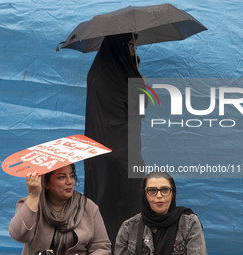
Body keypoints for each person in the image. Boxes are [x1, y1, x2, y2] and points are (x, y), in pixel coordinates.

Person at [84, 33, 145, 247]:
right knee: (130, 212)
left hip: (98, 157)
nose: (132, 49)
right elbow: (141, 110)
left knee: (102, 210)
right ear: (119, 46)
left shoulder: (95, 73)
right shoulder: (126, 77)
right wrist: (137, 77)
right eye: (130, 44)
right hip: (124, 157)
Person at [8, 164, 111, 255]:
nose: (69, 182)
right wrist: (33, 197)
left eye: (72, 176)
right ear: (46, 183)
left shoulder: (88, 207)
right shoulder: (32, 204)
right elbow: (19, 235)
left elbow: (101, 246)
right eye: (61, 177)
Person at [115, 172, 207, 255]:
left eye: (165, 190)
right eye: (152, 190)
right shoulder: (128, 227)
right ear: (144, 195)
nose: (159, 195)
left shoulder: (189, 224)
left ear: (173, 193)